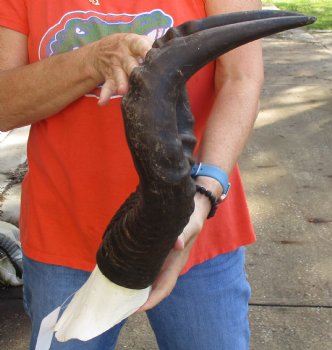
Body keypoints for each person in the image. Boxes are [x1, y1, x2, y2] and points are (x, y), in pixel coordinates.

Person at [0, 0, 264, 349]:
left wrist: (205, 195)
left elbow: (241, 77)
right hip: (64, 236)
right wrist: (92, 59)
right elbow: (5, 106)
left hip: (193, 233)